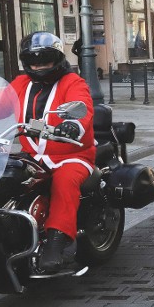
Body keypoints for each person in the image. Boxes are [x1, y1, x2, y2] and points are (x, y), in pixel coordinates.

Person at [15, 32, 96, 272]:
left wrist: (73, 125)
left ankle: (55, 242)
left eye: (45, 60)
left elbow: (83, 106)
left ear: (57, 59)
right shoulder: (20, 83)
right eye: (33, 61)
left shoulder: (73, 82)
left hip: (72, 156)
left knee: (64, 180)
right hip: (32, 155)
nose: (38, 66)